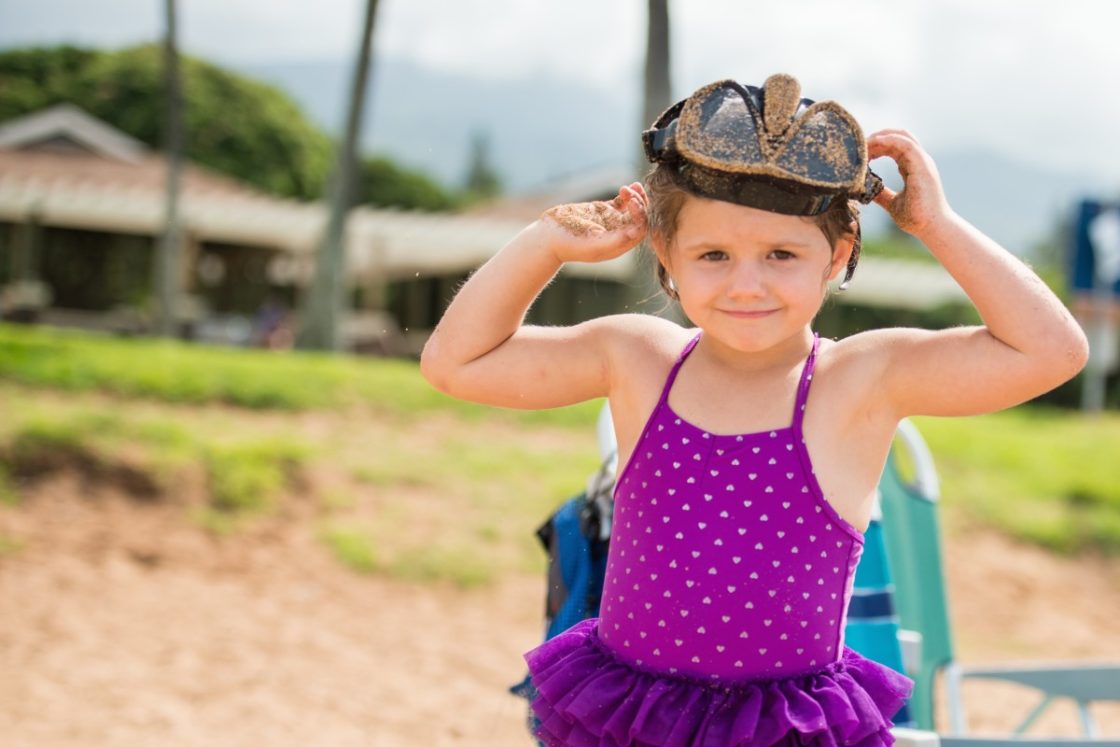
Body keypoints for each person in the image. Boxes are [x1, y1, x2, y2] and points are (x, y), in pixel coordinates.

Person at [420, 74, 1089, 746]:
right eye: (714, 254)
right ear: (666, 252)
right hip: (633, 719)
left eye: (781, 254)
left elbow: (1052, 351)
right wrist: (546, 243)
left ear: (837, 256)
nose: (747, 284)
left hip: (785, 729)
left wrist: (935, 226)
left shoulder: (858, 379)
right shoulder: (639, 357)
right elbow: (455, 363)